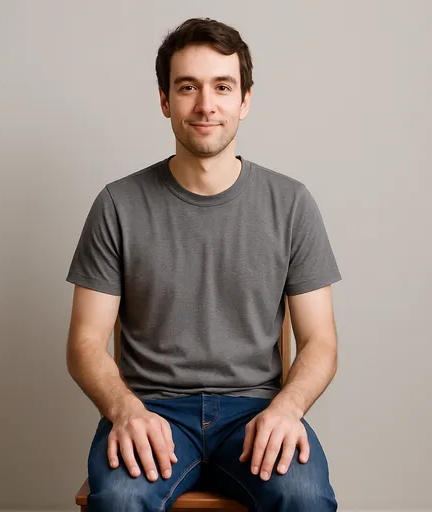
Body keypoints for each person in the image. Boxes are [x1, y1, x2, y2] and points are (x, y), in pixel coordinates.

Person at [66, 17, 341, 512]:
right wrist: (124, 409)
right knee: (120, 500)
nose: (206, 104)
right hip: (151, 409)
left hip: (256, 410)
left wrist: (288, 408)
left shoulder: (292, 203)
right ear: (165, 100)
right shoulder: (118, 205)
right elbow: (85, 342)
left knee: (304, 497)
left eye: (222, 86)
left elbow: (321, 342)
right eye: (188, 87)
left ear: (245, 100)